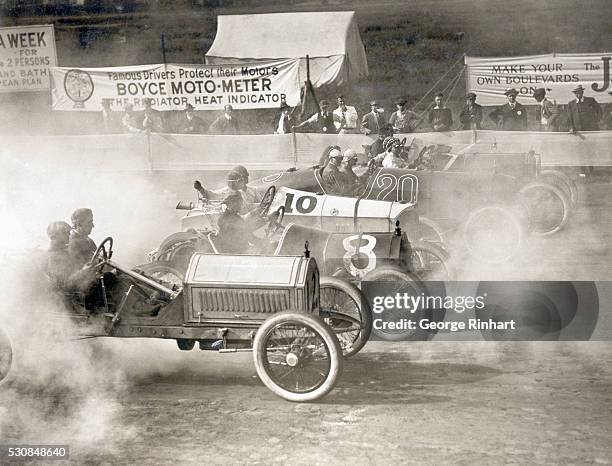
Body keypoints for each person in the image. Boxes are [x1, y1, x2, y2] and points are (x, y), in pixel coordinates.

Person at [45, 221, 97, 295]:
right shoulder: (53, 256)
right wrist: (83, 271)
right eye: (64, 232)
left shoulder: (64, 251)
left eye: (68, 232)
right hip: (73, 296)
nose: (69, 234)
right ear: (53, 237)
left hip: (81, 289)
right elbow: (64, 285)